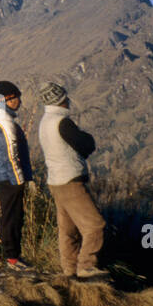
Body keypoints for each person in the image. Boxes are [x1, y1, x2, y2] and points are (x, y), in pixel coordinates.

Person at [37, 82, 107, 278]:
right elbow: (85, 145)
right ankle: (86, 266)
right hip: (70, 180)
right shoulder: (62, 122)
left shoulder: (44, 121)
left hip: (55, 181)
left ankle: (69, 270)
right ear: (62, 101)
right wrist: (89, 138)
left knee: (68, 229)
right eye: (66, 98)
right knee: (94, 225)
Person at [0, 80, 33, 270]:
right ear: (8, 99)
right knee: (13, 216)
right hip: (9, 177)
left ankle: (12, 256)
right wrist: (19, 179)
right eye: (17, 97)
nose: (19, 101)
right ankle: (12, 258)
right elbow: (10, 152)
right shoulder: (4, 120)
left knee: (9, 215)